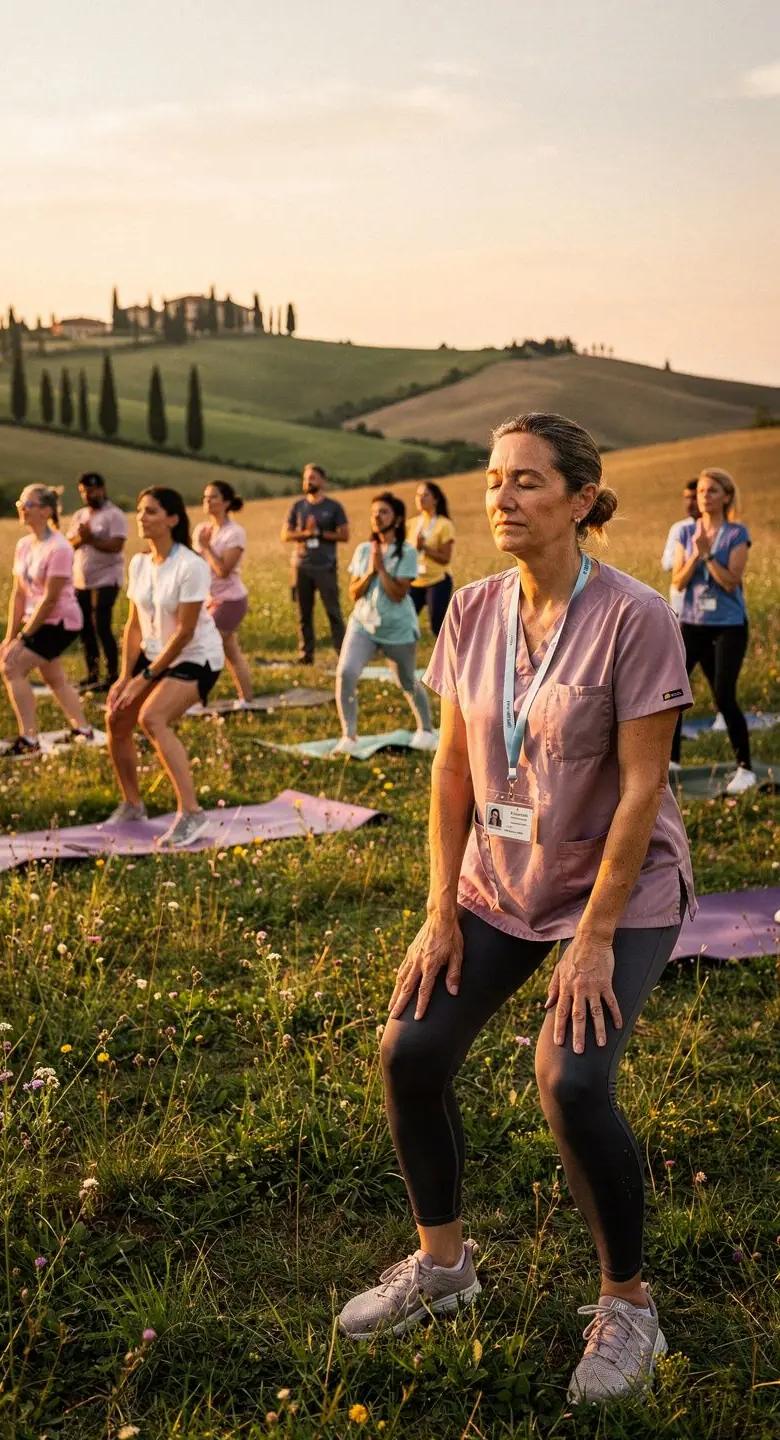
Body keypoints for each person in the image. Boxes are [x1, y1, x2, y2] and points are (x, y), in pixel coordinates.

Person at [338, 412, 696, 1408]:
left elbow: (641, 787)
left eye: (528, 480)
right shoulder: (470, 610)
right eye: (495, 479)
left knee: (571, 1079)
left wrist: (594, 939)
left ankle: (629, 1306)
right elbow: (453, 768)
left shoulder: (636, 618)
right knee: (409, 1050)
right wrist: (440, 909)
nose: (502, 497)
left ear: (581, 500)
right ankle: (443, 1267)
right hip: (502, 879)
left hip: (616, 886)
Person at [105, 487, 224, 849]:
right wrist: (125, 676)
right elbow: (133, 625)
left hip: (195, 656)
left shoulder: (191, 566)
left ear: (172, 519)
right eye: (140, 510)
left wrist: (145, 679)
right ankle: (133, 805)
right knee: (117, 719)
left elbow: (185, 633)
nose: (142, 517)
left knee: (152, 718)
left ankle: (192, 813)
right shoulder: (139, 563)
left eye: (152, 511)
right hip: (155, 652)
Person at [670, 467, 755, 794]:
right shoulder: (685, 532)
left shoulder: (736, 533)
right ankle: (672, 761)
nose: (705, 496)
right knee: (674, 690)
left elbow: (731, 581)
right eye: (702, 491)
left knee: (723, 694)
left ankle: (745, 769)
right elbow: (678, 581)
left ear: (726, 497)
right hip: (692, 624)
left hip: (728, 626)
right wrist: (696, 554)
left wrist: (707, 556)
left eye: (712, 491)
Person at [334, 492, 435, 755]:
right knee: (346, 673)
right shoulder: (363, 550)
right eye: (374, 512)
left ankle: (426, 730)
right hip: (363, 625)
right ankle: (349, 736)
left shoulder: (407, 552)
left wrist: (381, 569)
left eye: (383, 512)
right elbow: (353, 593)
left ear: (397, 519)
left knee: (406, 680)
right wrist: (370, 570)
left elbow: (398, 594)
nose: (376, 517)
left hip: (397, 629)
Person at [0, 484, 92, 755]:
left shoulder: (60, 548)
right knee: (54, 677)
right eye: (20, 504)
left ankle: (29, 740)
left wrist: (22, 639)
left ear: (46, 511)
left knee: (12, 667)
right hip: (37, 620)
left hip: (60, 621)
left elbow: (50, 600)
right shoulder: (24, 545)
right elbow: (19, 594)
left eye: (28, 505)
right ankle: (83, 729)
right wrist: (9, 637)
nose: (22, 509)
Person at [66, 472, 128, 692]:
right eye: (83, 491)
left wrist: (91, 539)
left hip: (107, 579)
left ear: (101, 489)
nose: (87, 495)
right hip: (82, 580)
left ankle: (112, 675)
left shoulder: (114, 515)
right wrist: (82, 538)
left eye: (91, 491)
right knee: (85, 628)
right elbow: (69, 544)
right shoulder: (80, 515)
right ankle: (92, 674)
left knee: (101, 626)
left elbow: (116, 546)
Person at [192, 480, 253, 703]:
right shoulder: (202, 529)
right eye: (205, 497)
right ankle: (246, 699)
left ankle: (196, 700)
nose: (207, 501)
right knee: (231, 652)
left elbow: (223, 570)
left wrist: (206, 547)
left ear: (226, 503)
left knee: (204, 648)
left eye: (213, 497)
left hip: (231, 601)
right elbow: (196, 565)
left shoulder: (235, 533)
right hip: (210, 599)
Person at [282, 464, 349, 664]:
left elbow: (344, 535)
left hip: (325, 566)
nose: (308, 482)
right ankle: (306, 654)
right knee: (303, 612)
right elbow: (285, 534)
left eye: (312, 478)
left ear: (322, 480)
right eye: (305, 478)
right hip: (301, 565)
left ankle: (343, 653)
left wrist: (319, 533)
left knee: (333, 611)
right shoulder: (298, 506)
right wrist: (305, 533)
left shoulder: (333, 507)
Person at [406, 481, 456, 636]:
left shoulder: (444, 524)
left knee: (437, 626)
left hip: (437, 581)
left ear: (435, 499)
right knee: (405, 622)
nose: (420, 498)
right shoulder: (411, 524)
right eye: (418, 495)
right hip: (414, 581)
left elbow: (445, 558)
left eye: (425, 495)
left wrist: (424, 548)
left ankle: (450, 650)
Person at [661, 479, 699, 616]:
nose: (689, 503)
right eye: (687, 498)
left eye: (694, 498)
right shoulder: (679, 529)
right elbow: (666, 563)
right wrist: (689, 559)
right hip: (681, 603)